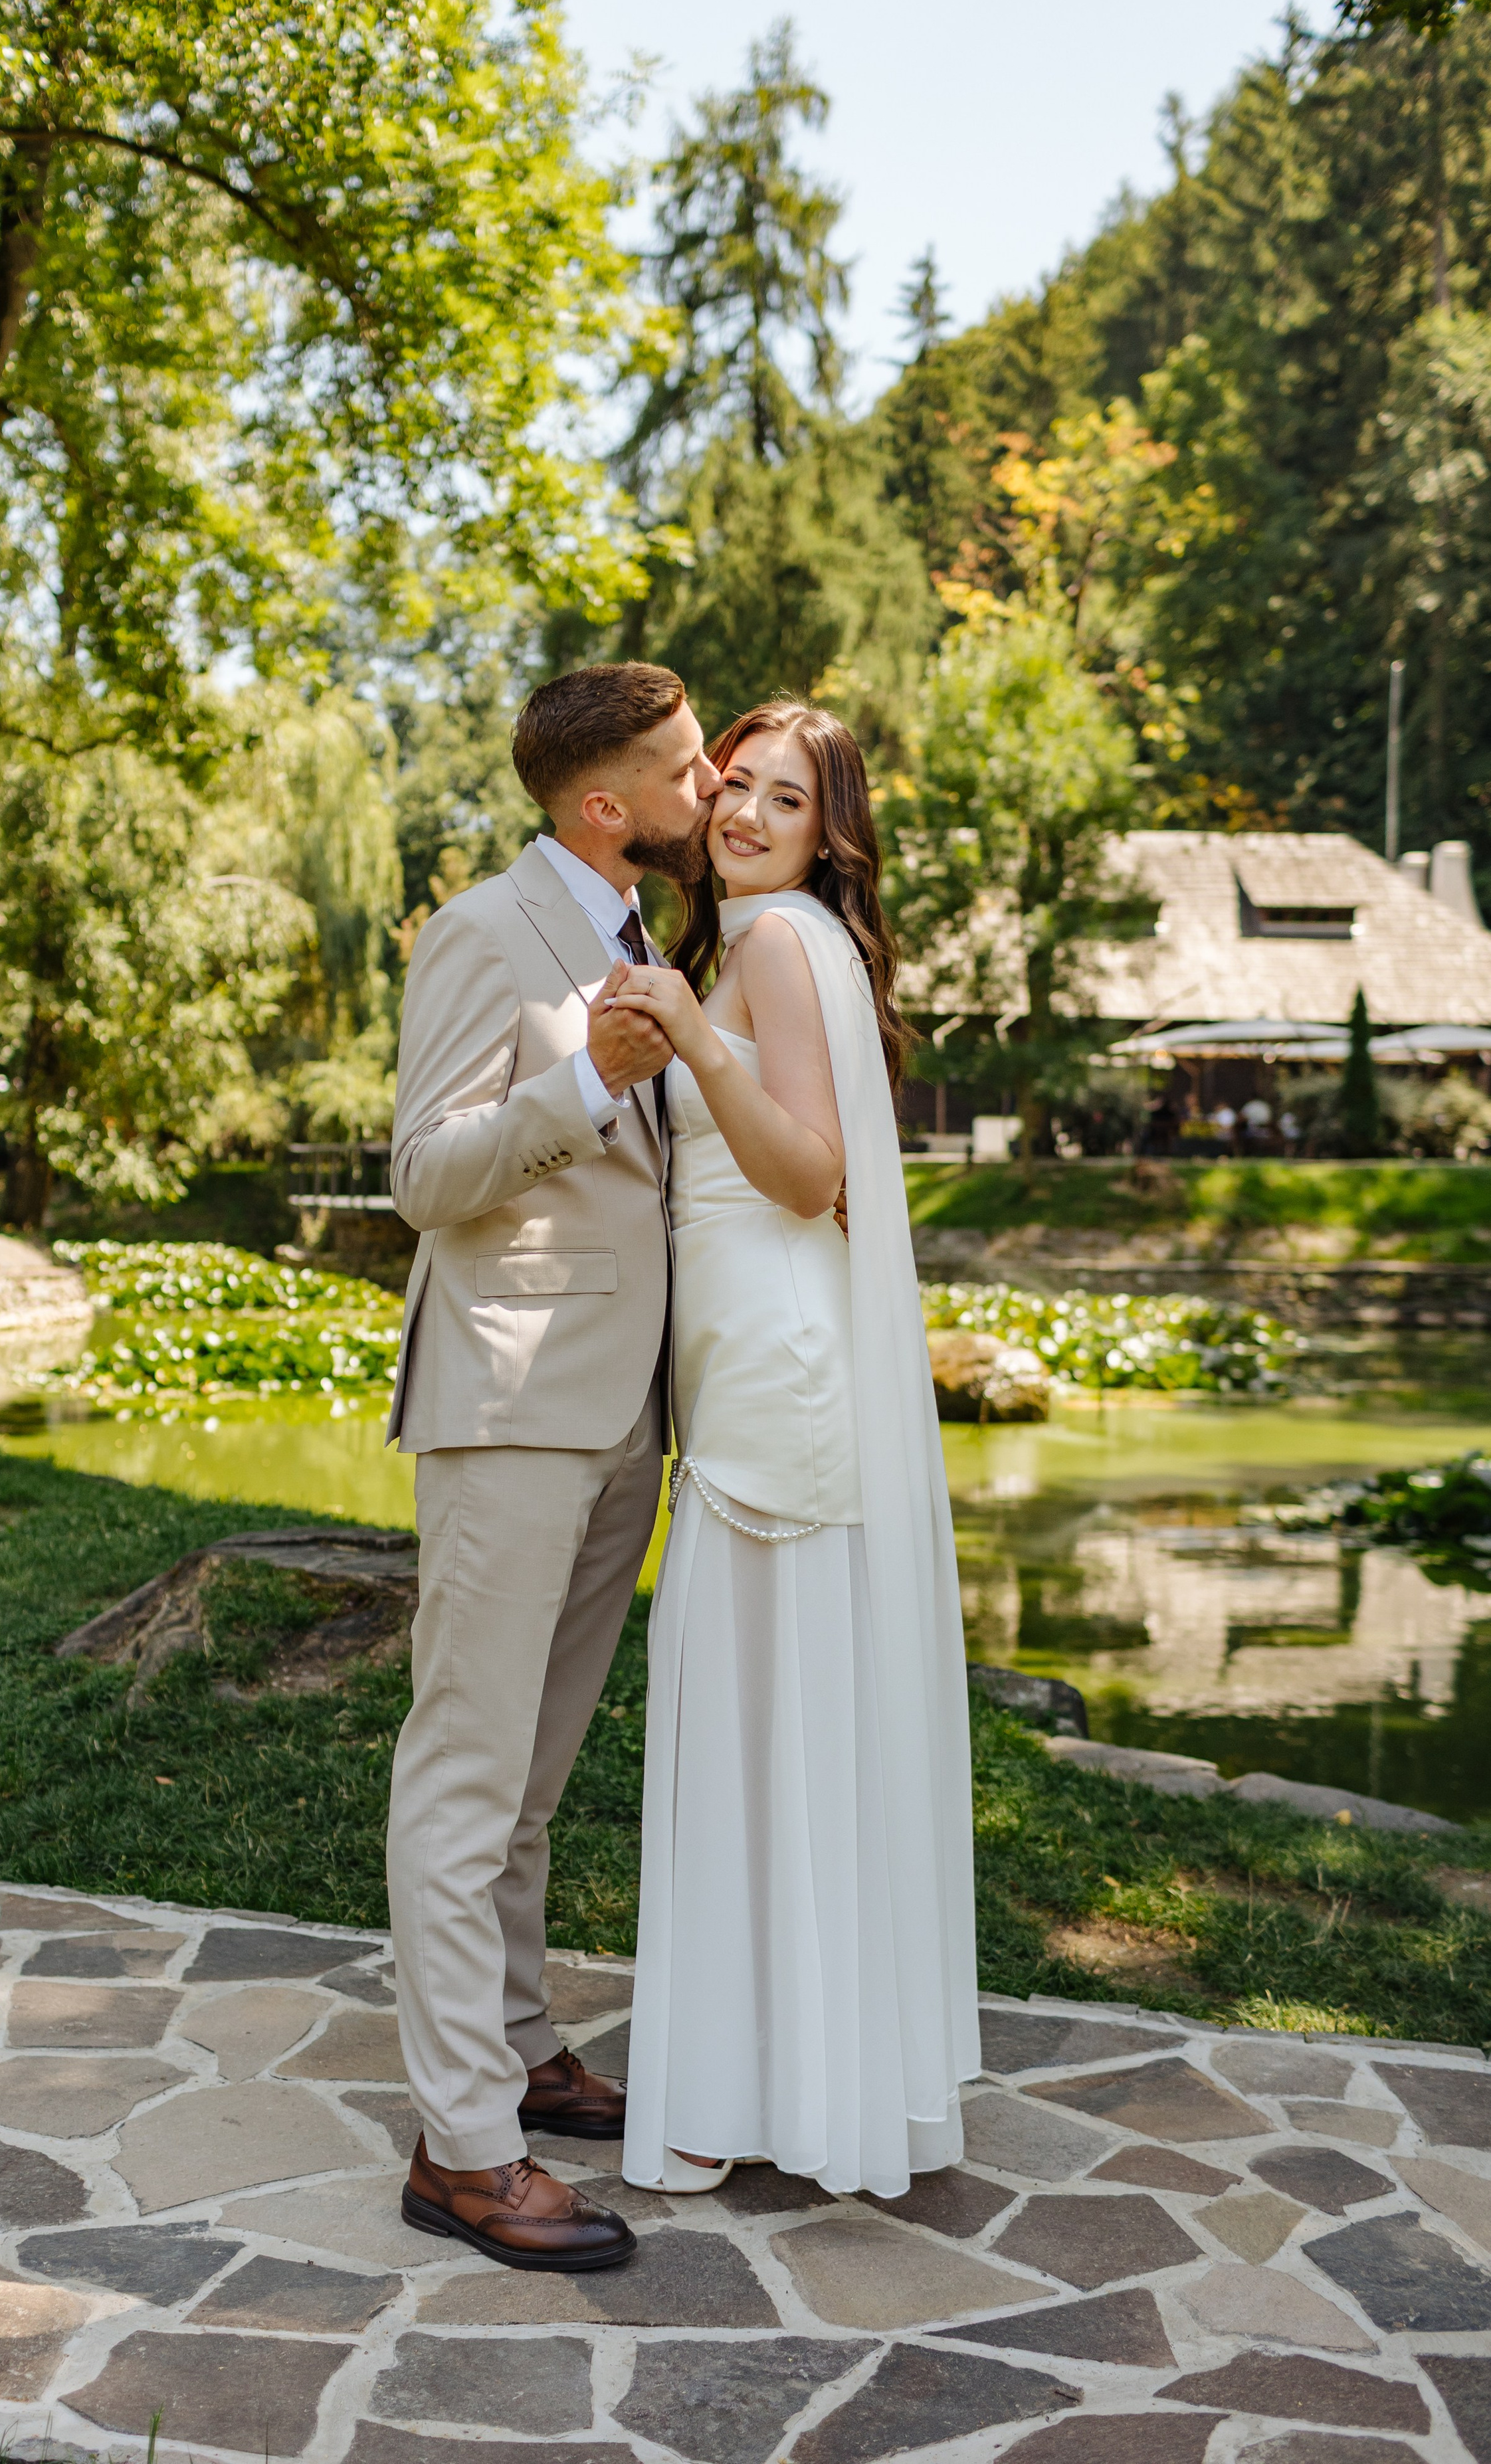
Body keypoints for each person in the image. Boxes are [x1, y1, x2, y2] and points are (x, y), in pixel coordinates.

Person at [607, 702, 980, 2199]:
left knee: (751, 1724)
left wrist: (688, 1034)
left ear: (830, 835)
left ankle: (726, 2090)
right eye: (735, 786)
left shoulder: (763, 948)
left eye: (786, 798)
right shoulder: (786, 940)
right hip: (774, 1372)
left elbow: (813, 1174)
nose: (747, 813)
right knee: (796, 1725)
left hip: (772, 1385)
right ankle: (811, 2071)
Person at [383, 662, 720, 2272]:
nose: (711, 780)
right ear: (607, 804)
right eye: (686, 763)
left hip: (617, 1417)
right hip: (510, 1400)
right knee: (461, 1779)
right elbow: (423, 1174)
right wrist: (583, 1079)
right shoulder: (478, 931)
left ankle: (516, 2045)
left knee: (528, 1780)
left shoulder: (638, 933)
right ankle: (461, 2149)